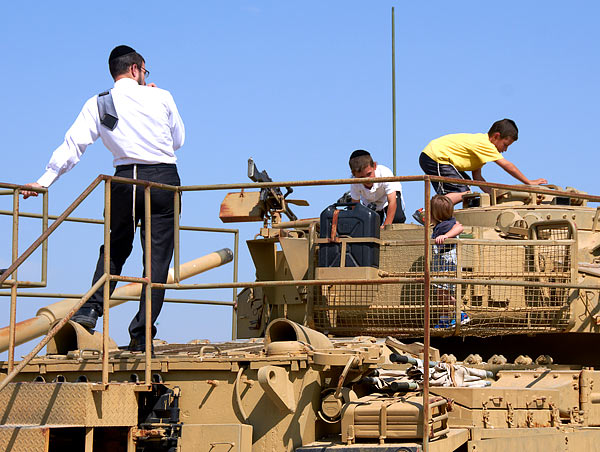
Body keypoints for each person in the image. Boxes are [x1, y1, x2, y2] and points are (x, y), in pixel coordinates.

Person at [22, 45, 185, 352]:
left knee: (115, 246)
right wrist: (155, 94)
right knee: (157, 259)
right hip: (163, 180)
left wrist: (44, 181)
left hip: (123, 180)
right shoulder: (161, 96)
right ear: (136, 69)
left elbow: (73, 146)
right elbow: (179, 140)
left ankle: (90, 309)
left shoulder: (100, 102)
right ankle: (140, 334)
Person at [413, 119, 547, 223]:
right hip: (435, 157)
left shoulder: (481, 150)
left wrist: (492, 196)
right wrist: (528, 181)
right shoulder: (486, 145)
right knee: (463, 191)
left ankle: (433, 214)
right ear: (496, 136)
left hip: (435, 157)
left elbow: (477, 178)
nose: (505, 149)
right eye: (505, 145)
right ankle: (426, 213)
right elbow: (506, 165)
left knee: (462, 189)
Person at [429, 194, 469, 328]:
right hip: (441, 264)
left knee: (442, 294)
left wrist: (445, 236)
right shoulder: (442, 225)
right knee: (442, 294)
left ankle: (461, 312)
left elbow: (460, 227)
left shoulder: (447, 226)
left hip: (446, 264)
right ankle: (444, 319)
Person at [348, 150, 406, 228]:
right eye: (361, 177)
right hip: (370, 202)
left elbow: (392, 201)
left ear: (374, 166)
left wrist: (386, 225)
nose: (367, 179)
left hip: (387, 198)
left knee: (397, 218)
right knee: (371, 225)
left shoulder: (385, 173)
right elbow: (355, 205)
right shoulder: (355, 182)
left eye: (369, 174)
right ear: (354, 174)